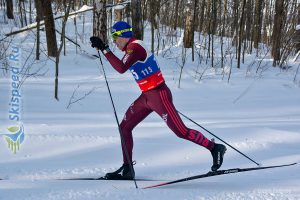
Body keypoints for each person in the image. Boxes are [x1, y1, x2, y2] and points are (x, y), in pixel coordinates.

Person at [90, 21, 226, 180]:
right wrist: (105, 49)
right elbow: (122, 64)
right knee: (124, 127)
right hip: (147, 97)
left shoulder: (136, 47)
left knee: (180, 131)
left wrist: (105, 49)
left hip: (159, 95)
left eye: (115, 37)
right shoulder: (130, 48)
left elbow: (121, 68)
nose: (114, 41)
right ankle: (127, 169)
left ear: (124, 35)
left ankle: (215, 148)